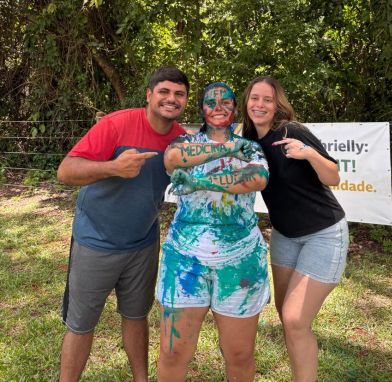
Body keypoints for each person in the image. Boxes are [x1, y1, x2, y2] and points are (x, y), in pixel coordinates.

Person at [56, 66, 189, 382]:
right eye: (164, 91)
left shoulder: (181, 140)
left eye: (179, 94)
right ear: (149, 95)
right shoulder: (116, 124)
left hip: (143, 243)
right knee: (81, 324)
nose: (171, 99)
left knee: (136, 315)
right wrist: (113, 167)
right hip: (95, 242)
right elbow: (65, 171)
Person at [156, 82, 270, 382]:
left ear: (235, 108)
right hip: (184, 260)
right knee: (173, 352)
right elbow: (172, 160)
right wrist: (229, 148)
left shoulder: (251, 147)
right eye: (211, 102)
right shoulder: (185, 142)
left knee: (239, 354)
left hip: (241, 261)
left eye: (226, 101)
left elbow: (256, 178)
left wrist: (199, 183)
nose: (218, 107)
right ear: (201, 109)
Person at [242, 76, 348, 382]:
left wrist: (309, 153)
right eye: (254, 98)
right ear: (247, 102)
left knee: (294, 319)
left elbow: (333, 177)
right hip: (284, 236)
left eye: (267, 99)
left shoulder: (292, 132)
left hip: (323, 233)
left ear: (277, 105)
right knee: (287, 316)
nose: (260, 105)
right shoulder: (249, 143)